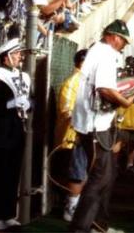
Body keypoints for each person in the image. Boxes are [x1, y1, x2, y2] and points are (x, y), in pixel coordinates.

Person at [70, 20, 134, 233]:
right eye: (122, 40)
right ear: (112, 35)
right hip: (96, 125)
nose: (124, 44)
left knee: (107, 176)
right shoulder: (106, 53)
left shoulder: (97, 51)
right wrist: (126, 101)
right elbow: (105, 89)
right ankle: (80, 228)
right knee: (100, 178)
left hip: (94, 123)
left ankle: (98, 225)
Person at [0, 38, 32, 230]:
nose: (20, 56)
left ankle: (9, 214)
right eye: (17, 53)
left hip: (17, 130)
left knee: (13, 174)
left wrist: (29, 104)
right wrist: (9, 105)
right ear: (6, 57)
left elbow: (31, 99)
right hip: (0, 133)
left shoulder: (24, 76)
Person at [55, 49, 88, 223]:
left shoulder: (86, 81)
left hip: (84, 135)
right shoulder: (73, 82)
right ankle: (70, 208)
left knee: (82, 173)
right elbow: (66, 111)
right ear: (82, 63)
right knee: (77, 173)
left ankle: (76, 206)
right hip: (73, 136)